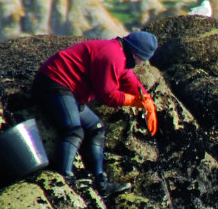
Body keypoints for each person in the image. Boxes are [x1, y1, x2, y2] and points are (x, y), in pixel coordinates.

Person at [30, 31, 158, 194]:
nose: (142, 64)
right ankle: (64, 179)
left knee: (96, 128)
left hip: (72, 93)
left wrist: (148, 102)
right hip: (54, 82)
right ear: (135, 54)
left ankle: (101, 184)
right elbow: (108, 95)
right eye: (143, 59)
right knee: (73, 131)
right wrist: (133, 101)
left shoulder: (121, 55)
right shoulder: (112, 55)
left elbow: (129, 80)